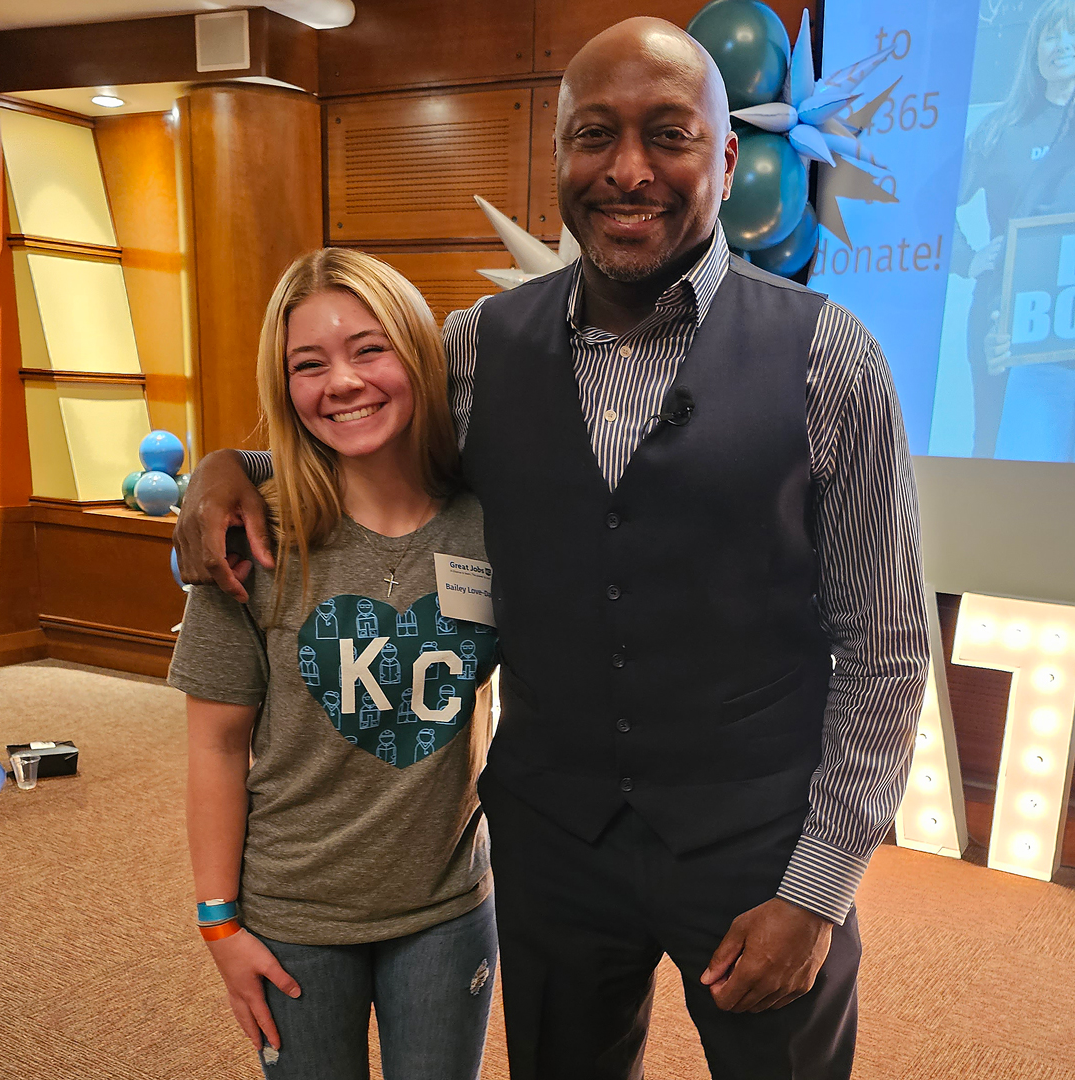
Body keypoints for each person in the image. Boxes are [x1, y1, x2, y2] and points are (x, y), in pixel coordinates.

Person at [174, 18, 929, 1080]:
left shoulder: (830, 358)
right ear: (561, 155)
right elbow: (356, 434)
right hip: (552, 846)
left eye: (668, 134)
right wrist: (225, 470)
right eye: (595, 134)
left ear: (724, 158)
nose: (628, 169)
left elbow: (887, 649)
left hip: (758, 847)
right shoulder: (477, 348)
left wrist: (821, 888)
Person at [168, 248, 500, 1080]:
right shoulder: (250, 539)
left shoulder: (489, 524)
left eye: (368, 349)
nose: (341, 382)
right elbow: (215, 745)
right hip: (293, 915)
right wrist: (218, 922)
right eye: (307, 364)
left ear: (417, 355)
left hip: (447, 905)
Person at [951, 0, 1075, 456]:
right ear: (1034, 49)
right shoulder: (1001, 129)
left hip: (1067, 313)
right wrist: (968, 260)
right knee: (992, 449)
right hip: (999, 317)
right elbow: (933, 204)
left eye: (1071, 32)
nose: (1061, 45)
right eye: (1049, 35)